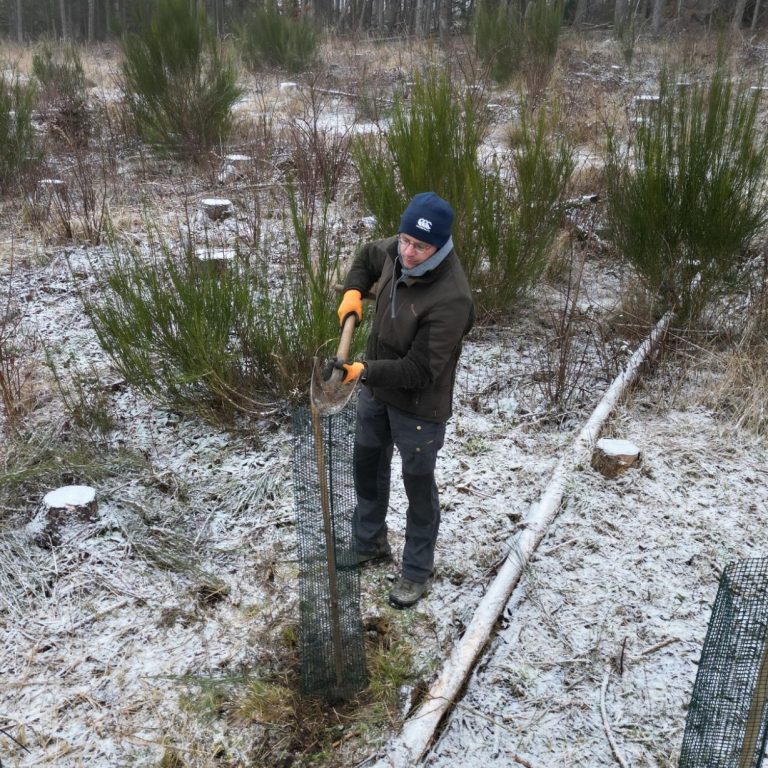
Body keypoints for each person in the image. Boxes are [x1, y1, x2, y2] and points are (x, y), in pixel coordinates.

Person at [334, 192, 475, 608]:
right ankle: (369, 542)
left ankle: (416, 570)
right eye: (405, 241)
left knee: (417, 484)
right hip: (377, 390)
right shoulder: (397, 250)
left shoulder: (453, 298)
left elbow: (419, 370)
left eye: (421, 247)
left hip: (419, 404)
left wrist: (363, 371)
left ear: (441, 246)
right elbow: (366, 255)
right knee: (367, 463)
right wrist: (353, 291)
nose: (409, 253)